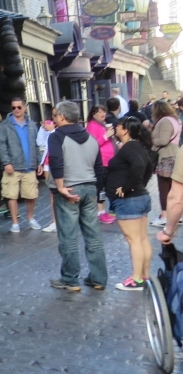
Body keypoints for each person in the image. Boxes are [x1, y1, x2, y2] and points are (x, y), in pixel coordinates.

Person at [47, 100, 108, 292]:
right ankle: (98, 278)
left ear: (63, 117)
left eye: (55, 115)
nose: (54, 119)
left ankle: (70, 279)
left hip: (69, 189)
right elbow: (99, 168)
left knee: (68, 236)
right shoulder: (90, 138)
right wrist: (96, 190)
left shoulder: (57, 136)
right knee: (93, 236)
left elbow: (56, 161)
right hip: (89, 187)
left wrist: (60, 186)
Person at [106, 117, 156, 291]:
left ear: (125, 130)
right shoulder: (138, 147)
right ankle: (144, 277)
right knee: (141, 239)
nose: (115, 129)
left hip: (129, 201)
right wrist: (139, 184)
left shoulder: (129, 148)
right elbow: (148, 167)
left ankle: (137, 279)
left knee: (133, 239)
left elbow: (140, 165)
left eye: (117, 127)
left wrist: (128, 187)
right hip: (138, 198)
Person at [0, 97, 40, 232]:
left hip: (29, 165)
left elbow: (36, 145)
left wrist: (38, 162)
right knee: (11, 195)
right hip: (12, 167)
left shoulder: (32, 125)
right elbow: (1, 145)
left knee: (31, 194)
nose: (16, 110)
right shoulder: (4, 125)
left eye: (19, 107)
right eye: (13, 107)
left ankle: (30, 218)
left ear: (24, 107)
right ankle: (15, 223)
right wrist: (6, 162)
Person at [150, 100, 181, 228]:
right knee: (174, 189)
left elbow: (163, 140)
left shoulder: (165, 121)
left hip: (166, 157)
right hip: (174, 155)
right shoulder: (175, 120)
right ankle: (176, 215)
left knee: (164, 189)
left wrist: (150, 139)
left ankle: (164, 216)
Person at [85, 105, 116, 224]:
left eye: (104, 111)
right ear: (93, 114)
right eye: (99, 112)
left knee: (104, 187)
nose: (102, 114)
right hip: (101, 162)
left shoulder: (103, 125)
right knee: (100, 187)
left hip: (108, 161)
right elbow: (93, 144)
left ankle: (103, 211)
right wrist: (105, 136)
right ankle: (100, 212)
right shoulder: (92, 126)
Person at [36, 120, 57, 232]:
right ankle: (55, 221)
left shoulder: (56, 133)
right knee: (52, 193)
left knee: (57, 193)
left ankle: (58, 221)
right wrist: (42, 129)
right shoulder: (49, 134)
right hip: (47, 164)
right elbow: (40, 143)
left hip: (55, 164)